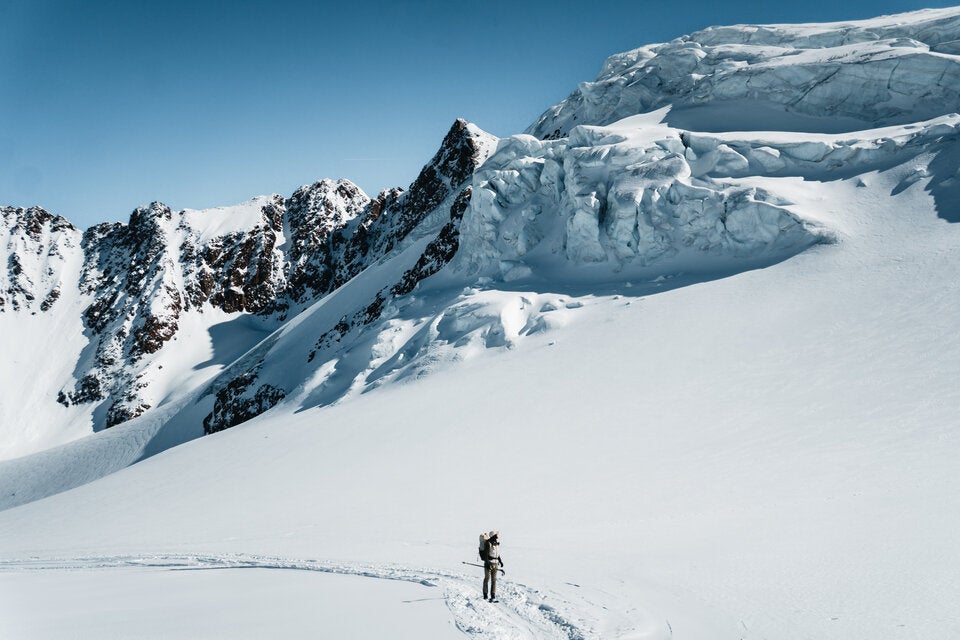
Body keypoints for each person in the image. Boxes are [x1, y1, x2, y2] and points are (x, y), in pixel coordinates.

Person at [481, 530, 504, 601]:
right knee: (487, 578)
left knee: (494, 580)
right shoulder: (488, 543)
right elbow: (486, 555)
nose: (497, 536)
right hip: (489, 563)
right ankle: (485, 595)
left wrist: (500, 561)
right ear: (493, 536)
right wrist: (487, 564)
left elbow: (497, 554)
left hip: (496, 564)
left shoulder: (496, 544)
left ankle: (493, 595)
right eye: (496, 535)